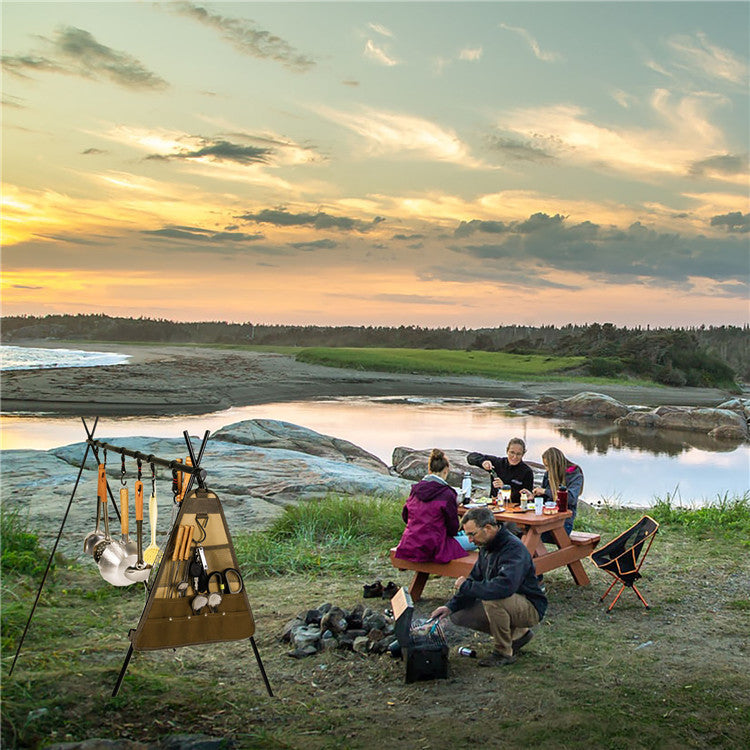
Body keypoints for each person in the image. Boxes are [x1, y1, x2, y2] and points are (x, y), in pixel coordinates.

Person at [430, 506, 547, 666]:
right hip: (510, 601)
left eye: (472, 534)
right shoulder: (486, 547)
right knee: (458, 614)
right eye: (468, 535)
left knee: (493, 599)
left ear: (488, 528)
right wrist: (450, 606)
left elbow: (504, 587)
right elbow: (474, 578)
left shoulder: (513, 549)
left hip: (530, 606)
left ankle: (503, 653)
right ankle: (518, 636)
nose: (470, 540)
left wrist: (466, 586)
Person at [394, 449, 469, 563]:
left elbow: (405, 516)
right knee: (476, 540)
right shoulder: (447, 493)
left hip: (411, 543)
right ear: (446, 470)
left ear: (429, 470)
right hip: (434, 547)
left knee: (463, 535)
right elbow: (453, 528)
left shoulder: (415, 490)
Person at [528, 447, 584, 535]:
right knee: (524, 531)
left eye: (547, 466)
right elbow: (545, 498)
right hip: (545, 518)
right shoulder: (548, 474)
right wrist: (533, 496)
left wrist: (545, 491)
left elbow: (571, 499)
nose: (546, 469)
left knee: (531, 534)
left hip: (564, 523)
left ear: (555, 464)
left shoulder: (574, 474)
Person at [467, 437, 534, 503]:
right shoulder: (498, 463)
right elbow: (470, 457)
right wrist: (483, 462)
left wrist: (504, 487)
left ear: (523, 454)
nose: (514, 457)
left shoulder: (527, 472)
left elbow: (527, 496)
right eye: (512, 452)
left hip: (516, 508)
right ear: (507, 451)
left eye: (518, 454)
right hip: (494, 505)